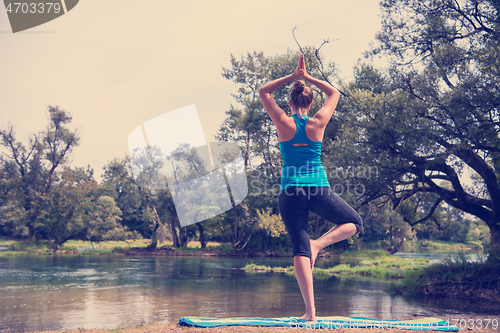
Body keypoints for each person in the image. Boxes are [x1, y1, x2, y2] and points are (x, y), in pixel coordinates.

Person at [258, 54, 363, 322]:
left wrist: (294, 77)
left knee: (299, 250)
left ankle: (311, 313)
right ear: (311, 101)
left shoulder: (282, 121)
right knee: (354, 223)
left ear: (290, 101)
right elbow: (334, 92)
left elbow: (263, 91)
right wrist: (308, 77)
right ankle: (319, 245)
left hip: (290, 193)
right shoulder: (318, 122)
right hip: (318, 189)